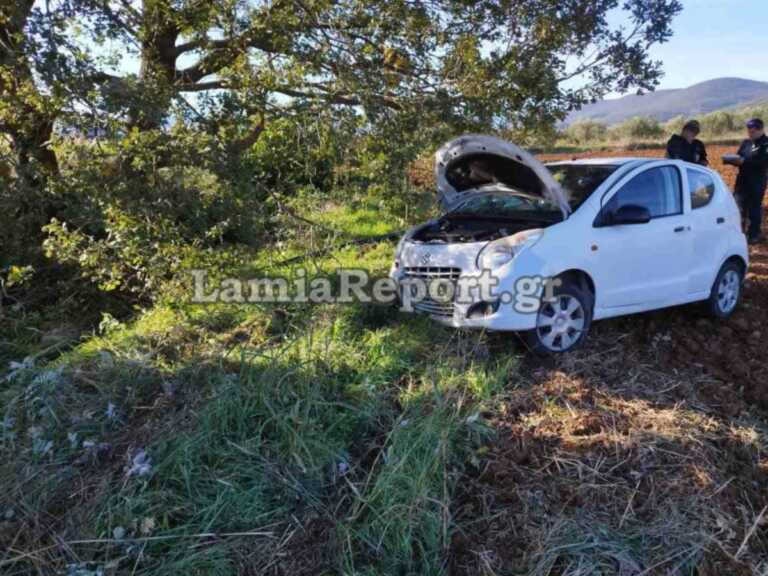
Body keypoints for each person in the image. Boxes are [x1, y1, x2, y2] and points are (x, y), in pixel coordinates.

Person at [724, 118, 768, 244]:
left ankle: (754, 234)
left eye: (753, 131)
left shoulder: (766, 144)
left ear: (761, 129)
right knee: (738, 207)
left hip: (757, 180)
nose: (750, 133)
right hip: (742, 180)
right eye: (749, 130)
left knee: (754, 208)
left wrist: (744, 161)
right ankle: (739, 233)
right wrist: (731, 160)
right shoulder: (746, 143)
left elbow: (763, 162)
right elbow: (739, 156)